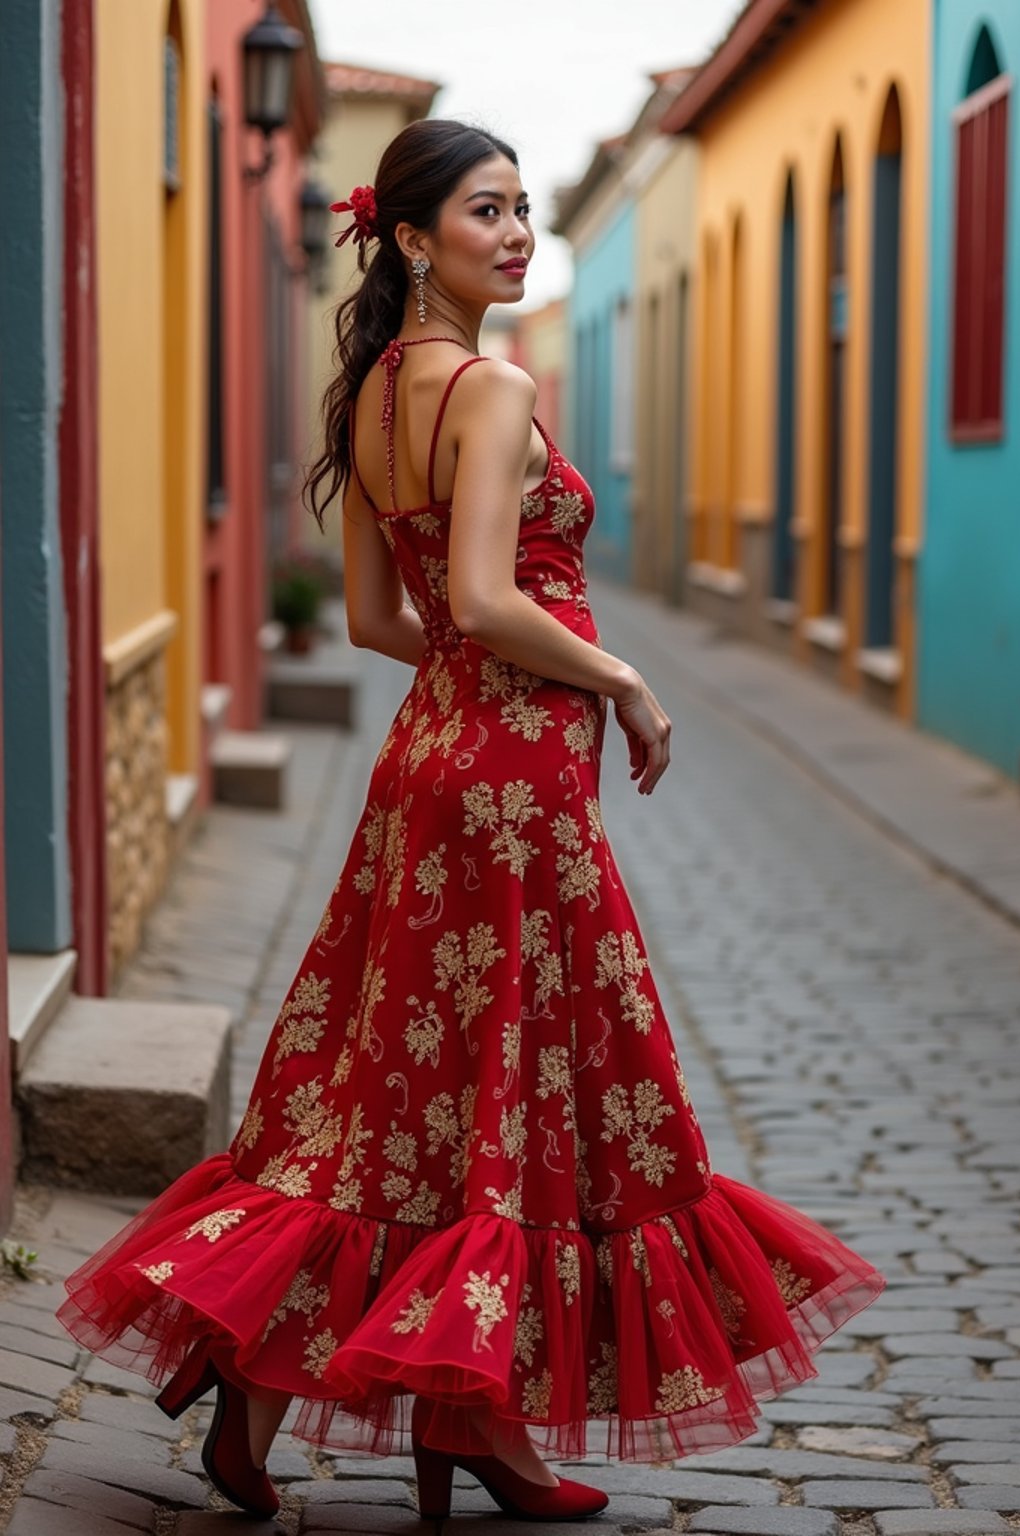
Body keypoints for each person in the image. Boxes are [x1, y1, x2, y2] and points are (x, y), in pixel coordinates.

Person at [57, 117, 886, 1524]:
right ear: (412, 235)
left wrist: (472, 679)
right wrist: (620, 677)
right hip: (512, 784)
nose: (516, 235)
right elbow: (495, 600)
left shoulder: (378, 392)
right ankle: (469, 1423)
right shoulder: (492, 390)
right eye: (487, 212)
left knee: (384, 1098)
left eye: (522, 213)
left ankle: (321, 1416)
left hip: (430, 761)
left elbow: (396, 618)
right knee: (515, 1091)